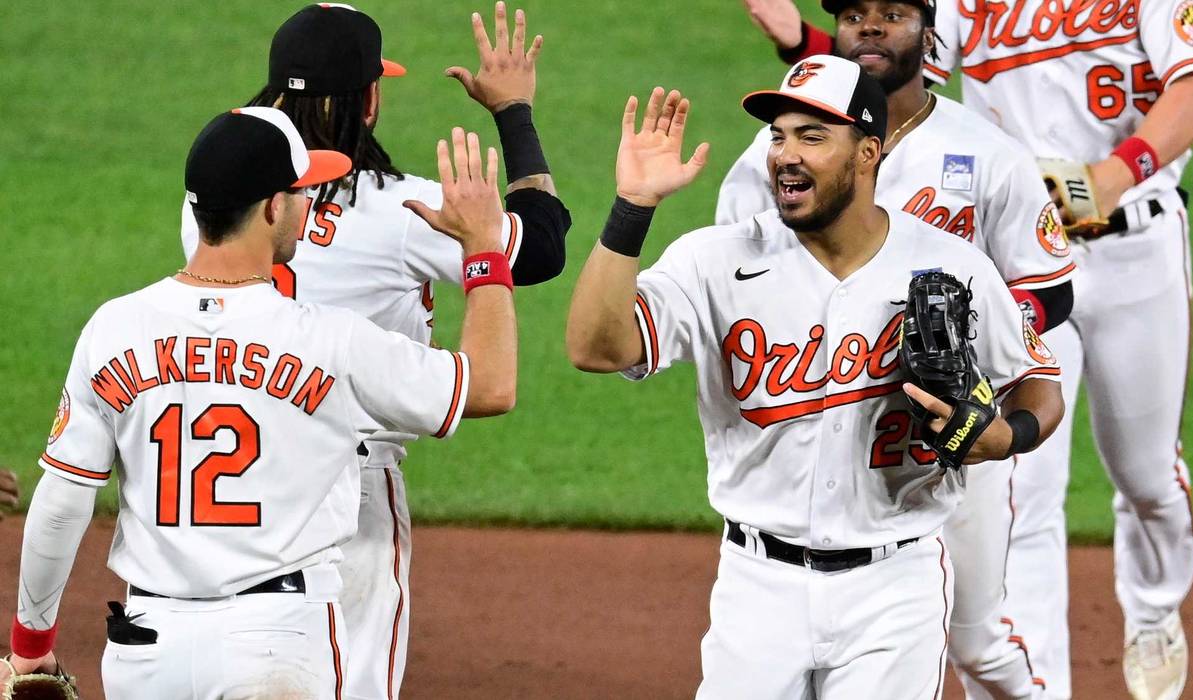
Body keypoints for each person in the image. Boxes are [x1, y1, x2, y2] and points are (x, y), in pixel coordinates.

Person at [743, 1, 1193, 697]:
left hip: (1132, 248)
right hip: (1018, 258)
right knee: (1020, 487)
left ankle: (1152, 609)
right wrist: (803, 42)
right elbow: (895, 75)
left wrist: (1107, 178)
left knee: (1147, 478)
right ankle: (1040, 686)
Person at [566, 56, 1064, 699]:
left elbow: (1039, 380)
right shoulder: (716, 261)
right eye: (779, 136)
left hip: (896, 585)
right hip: (756, 585)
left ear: (867, 153)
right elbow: (595, 348)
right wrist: (632, 208)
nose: (785, 155)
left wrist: (1008, 435)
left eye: (812, 136)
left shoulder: (953, 265)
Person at [1, 106, 517, 698]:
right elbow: (489, 386)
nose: (311, 204)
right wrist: (483, 249)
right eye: (303, 191)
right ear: (274, 207)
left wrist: (31, 650)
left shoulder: (112, 329)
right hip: (279, 649)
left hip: (149, 652)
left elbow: (64, 499)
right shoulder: (333, 341)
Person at [178, 4, 570, 697]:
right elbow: (540, 247)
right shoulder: (403, 212)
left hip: (229, 483)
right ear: (369, 98)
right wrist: (513, 112)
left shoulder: (217, 201)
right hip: (348, 487)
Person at [718, 2, 1074, 696]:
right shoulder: (778, 156)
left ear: (928, 32)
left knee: (975, 645)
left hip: (952, 439)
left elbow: (1050, 290)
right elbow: (735, 277)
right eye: (853, 14)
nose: (870, 27)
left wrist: (978, 329)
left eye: (891, 12)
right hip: (818, 436)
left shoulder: (988, 153)